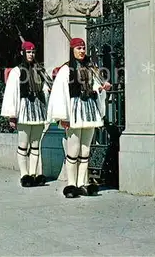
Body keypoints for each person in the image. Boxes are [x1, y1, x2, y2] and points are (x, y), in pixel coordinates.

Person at [47, 37, 111, 198]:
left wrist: (102, 88)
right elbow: (60, 93)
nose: (82, 51)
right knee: (73, 149)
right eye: (78, 48)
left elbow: (96, 87)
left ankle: (82, 183)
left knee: (85, 148)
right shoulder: (66, 70)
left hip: (89, 110)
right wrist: (63, 116)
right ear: (72, 50)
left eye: (83, 48)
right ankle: (71, 184)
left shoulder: (91, 68)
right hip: (74, 110)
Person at [1, 41, 49, 187]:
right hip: (24, 109)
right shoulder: (16, 71)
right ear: (22, 53)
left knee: (35, 144)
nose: (31, 54)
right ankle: (24, 175)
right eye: (28, 52)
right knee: (23, 145)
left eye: (33, 52)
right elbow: (12, 93)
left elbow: (45, 87)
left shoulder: (39, 69)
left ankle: (33, 174)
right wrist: (12, 115)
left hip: (38, 109)